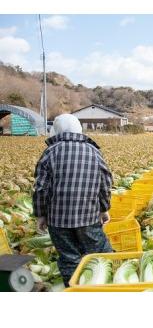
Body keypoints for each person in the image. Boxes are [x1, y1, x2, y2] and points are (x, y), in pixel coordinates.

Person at [32, 114, 113, 286]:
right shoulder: (94, 152)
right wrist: (104, 209)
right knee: (100, 254)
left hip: (58, 221)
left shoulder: (50, 152)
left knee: (69, 258)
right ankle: (106, 287)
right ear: (79, 130)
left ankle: (75, 288)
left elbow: (40, 188)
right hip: (89, 218)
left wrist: (41, 215)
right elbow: (105, 183)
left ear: (55, 131)